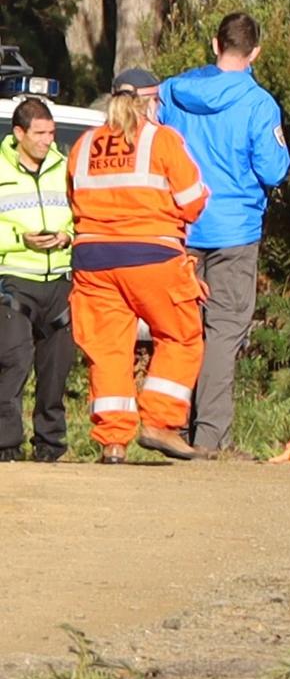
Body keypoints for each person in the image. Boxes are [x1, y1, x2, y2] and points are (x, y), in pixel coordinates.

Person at [161, 11, 290, 455]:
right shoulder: (259, 104)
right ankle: (211, 437)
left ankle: (168, 423)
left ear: (214, 43)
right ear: (255, 52)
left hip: (180, 225)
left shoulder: (173, 92)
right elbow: (274, 169)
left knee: (180, 328)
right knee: (223, 331)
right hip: (234, 230)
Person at [67, 80, 208, 462]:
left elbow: (73, 201)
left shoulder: (82, 147)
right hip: (152, 257)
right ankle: (160, 423)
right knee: (181, 336)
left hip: (93, 261)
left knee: (108, 349)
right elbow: (193, 201)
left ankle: (113, 442)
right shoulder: (160, 140)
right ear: (148, 104)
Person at [0, 94, 71, 462]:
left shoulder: (65, 166)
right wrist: (18, 240)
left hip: (59, 279)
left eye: (51, 133)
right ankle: (6, 445)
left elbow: (80, 214)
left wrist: (68, 236)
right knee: (13, 363)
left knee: (56, 369)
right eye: (40, 133)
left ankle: (50, 444)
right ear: (19, 133)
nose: (48, 140)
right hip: (13, 279)